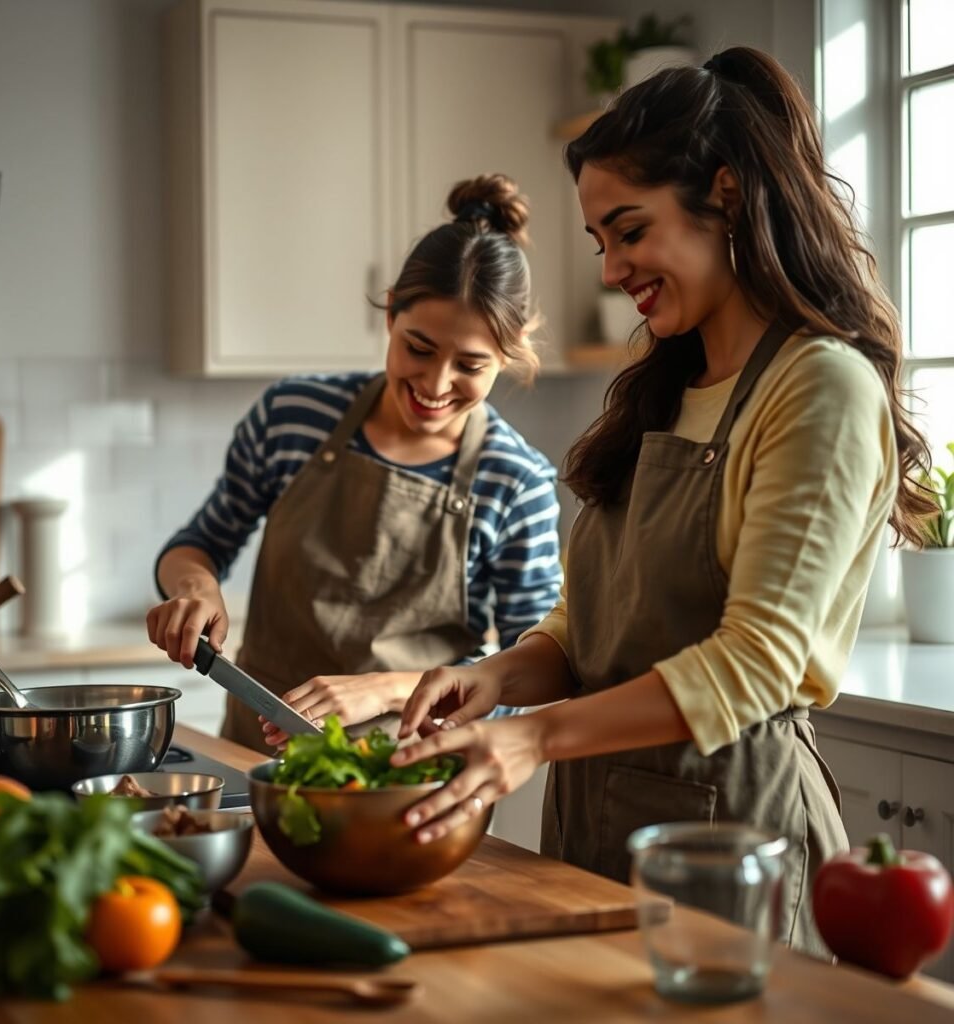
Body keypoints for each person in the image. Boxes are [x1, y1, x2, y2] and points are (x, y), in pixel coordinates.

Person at [387, 48, 933, 957]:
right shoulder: (664, 387)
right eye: (602, 241)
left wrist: (535, 741)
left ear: (724, 194)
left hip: (731, 845)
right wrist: (496, 681)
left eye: (629, 231)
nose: (611, 271)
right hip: (594, 824)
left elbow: (757, 664)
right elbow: (592, 624)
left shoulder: (818, 388)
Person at [147, 175, 563, 753]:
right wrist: (196, 588)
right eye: (419, 348)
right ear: (391, 312)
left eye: (470, 365)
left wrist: (390, 690)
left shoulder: (516, 482)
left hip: (412, 776)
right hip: (257, 758)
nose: (436, 384)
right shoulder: (294, 415)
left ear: (510, 350)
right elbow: (201, 541)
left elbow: (536, 666)